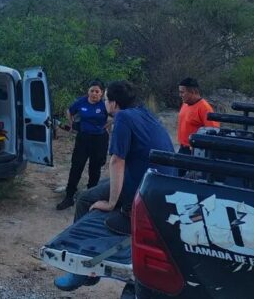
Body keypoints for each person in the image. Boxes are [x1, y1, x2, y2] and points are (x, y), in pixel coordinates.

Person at [54, 80, 175, 292]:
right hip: (158, 182)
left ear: (114, 103)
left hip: (144, 186)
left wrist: (111, 203)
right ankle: (89, 267)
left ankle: (80, 268)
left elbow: (117, 161)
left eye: (106, 99)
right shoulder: (143, 111)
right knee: (100, 187)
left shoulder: (123, 117)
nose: (104, 103)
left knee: (85, 199)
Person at [56, 80, 110, 211]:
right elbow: (69, 111)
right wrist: (72, 124)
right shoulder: (81, 102)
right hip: (83, 138)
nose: (94, 94)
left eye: (97, 91)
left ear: (101, 93)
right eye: (92, 91)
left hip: (99, 140)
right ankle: (69, 197)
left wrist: (106, 125)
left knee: (95, 169)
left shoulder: (104, 105)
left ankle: (91, 198)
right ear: (88, 91)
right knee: (76, 167)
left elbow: (115, 116)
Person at [177, 77, 219, 155]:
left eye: (182, 92)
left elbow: (213, 133)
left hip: (195, 151)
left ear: (193, 92)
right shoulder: (185, 103)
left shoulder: (205, 108)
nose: (180, 95)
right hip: (182, 149)